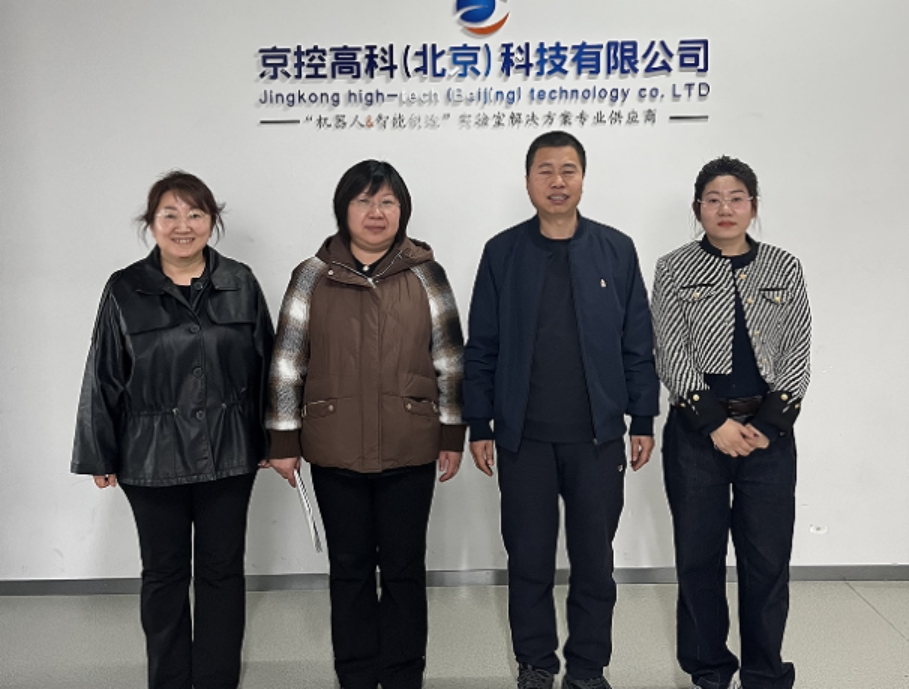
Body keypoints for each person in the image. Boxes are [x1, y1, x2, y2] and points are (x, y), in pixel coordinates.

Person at [462, 131, 660, 689]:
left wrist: (643, 418)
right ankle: (535, 665)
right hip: (522, 437)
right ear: (527, 181)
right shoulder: (503, 252)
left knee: (595, 561)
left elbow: (637, 343)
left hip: (597, 437)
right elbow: (482, 345)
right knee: (528, 560)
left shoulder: (615, 249)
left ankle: (589, 668)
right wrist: (479, 423)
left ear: (583, 179)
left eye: (568, 169)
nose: (557, 181)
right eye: (545, 170)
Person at [265, 160, 465, 689]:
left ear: (402, 210)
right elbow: (287, 362)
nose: (376, 212)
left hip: (410, 445)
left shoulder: (427, 274)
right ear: (344, 209)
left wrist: (451, 432)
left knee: (404, 570)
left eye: (387, 202)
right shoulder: (311, 276)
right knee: (349, 571)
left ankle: (402, 677)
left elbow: (449, 358)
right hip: (334, 449)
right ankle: (354, 675)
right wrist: (283, 439)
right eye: (364, 201)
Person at [71, 171, 275, 689]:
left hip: (229, 453)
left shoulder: (241, 283)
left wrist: (276, 440)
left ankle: (216, 680)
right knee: (163, 575)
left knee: (222, 572)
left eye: (195, 214)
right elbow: (104, 372)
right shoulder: (125, 288)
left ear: (212, 221)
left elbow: (269, 367)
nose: (183, 225)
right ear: (151, 222)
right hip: (150, 459)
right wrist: (99, 453)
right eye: (170, 214)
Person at [651, 156, 811, 689]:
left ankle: (765, 674)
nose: (725, 208)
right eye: (714, 199)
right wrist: (713, 422)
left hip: (769, 437)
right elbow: (669, 350)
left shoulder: (784, 267)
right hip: (697, 436)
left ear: (753, 207)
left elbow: (797, 350)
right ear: (698, 208)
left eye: (737, 198)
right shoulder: (674, 268)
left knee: (767, 561)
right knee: (698, 560)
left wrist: (768, 425)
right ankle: (710, 672)